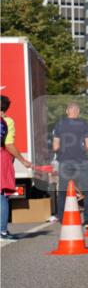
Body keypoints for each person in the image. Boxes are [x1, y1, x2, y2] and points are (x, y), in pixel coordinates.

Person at [51, 102, 88, 225]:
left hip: (65, 161)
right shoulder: (84, 124)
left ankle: (62, 218)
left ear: (67, 111)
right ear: (78, 112)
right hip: (81, 161)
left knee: (63, 191)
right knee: (87, 191)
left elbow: (55, 146)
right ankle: (87, 219)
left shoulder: (59, 125)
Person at [1, 95, 33, 241]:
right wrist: (23, 160)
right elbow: (8, 144)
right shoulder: (6, 122)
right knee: (2, 195)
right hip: (2, 158)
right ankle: (2, 231)